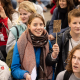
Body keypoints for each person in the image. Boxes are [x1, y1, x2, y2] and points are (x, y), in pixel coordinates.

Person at [11, 13, 53, 80]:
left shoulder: (47, 42)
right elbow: (14, 69)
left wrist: (54, 56)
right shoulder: (20, 43)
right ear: (29, 26)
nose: (38, 27)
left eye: (41, 24)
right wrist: (25, 75)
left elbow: (52, 66)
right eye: (35, 25)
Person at [45, 8, 80, 79]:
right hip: (65, 76)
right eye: (74, 23)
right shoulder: (61, 38)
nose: (78, 26)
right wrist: (54, 54)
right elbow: (48, 61)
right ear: (69, 24)